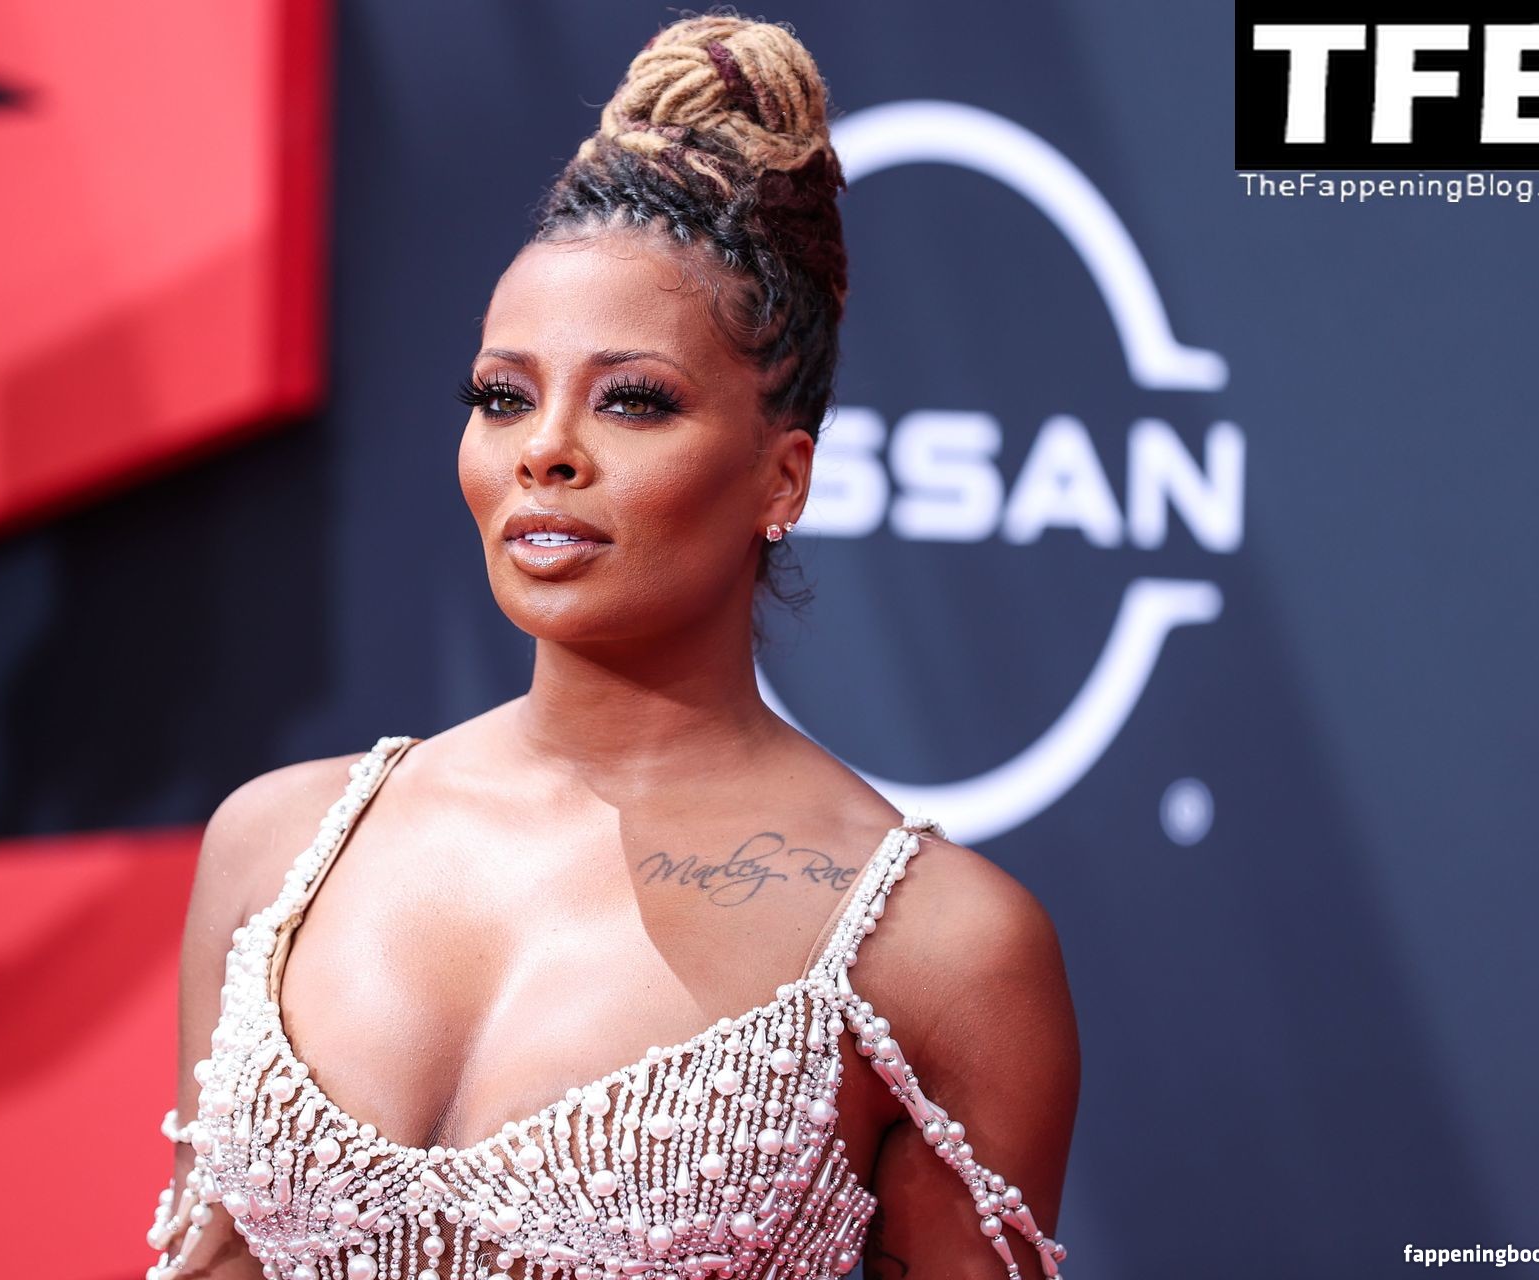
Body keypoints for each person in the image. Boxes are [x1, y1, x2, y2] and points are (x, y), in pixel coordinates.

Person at [145, 13, 1079, 1279]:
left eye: (633, 400)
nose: (546, 449)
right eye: (503, 396)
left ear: (783, 476)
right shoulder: (279, 849)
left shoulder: (939, 948)